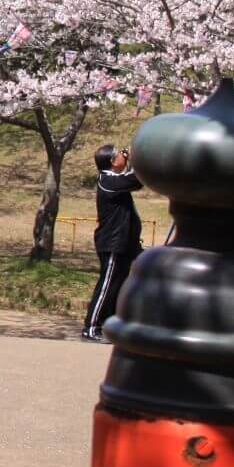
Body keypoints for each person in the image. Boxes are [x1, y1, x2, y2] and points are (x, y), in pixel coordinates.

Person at [82, 143, 143, 341]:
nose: (123, 156)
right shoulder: (106, 180)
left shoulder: (114, 180)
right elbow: (135, 180)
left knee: (118, 285)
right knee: (107, 284)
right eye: (120, 154)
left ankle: (109, 325)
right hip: (112, 242)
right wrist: (133, 158)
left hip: (125, 243)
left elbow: (134, 181)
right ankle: (91, 327)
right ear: (111, 161)